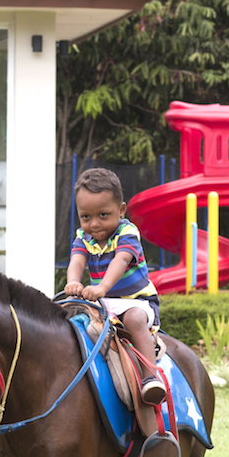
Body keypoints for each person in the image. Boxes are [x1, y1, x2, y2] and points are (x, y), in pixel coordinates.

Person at [64, 168, 166, 406]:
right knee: (67, 318)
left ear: (121, 210)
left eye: (103, 214)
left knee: (134, 319)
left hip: (136, 300)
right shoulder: (84, 237)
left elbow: (121, 261)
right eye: (86, 217)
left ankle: (150, 377)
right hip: (103, 302)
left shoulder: (127, 233)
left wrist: (102, 287)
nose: (94, 224)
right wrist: (73, 282)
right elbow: (77, 261)